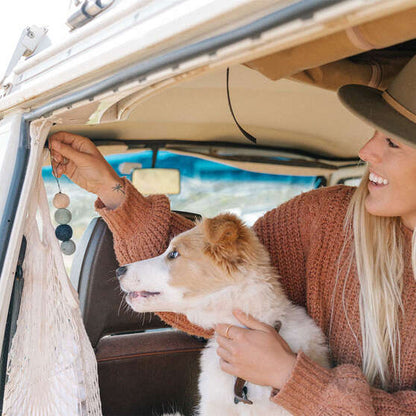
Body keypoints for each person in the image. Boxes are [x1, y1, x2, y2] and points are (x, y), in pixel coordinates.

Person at [48, 55, 416, 415]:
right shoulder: (326, 217)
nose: (365, 151)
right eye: (374, 133)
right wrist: (112, 190)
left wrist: (289, 375)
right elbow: (213, 270)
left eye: (393, 142)